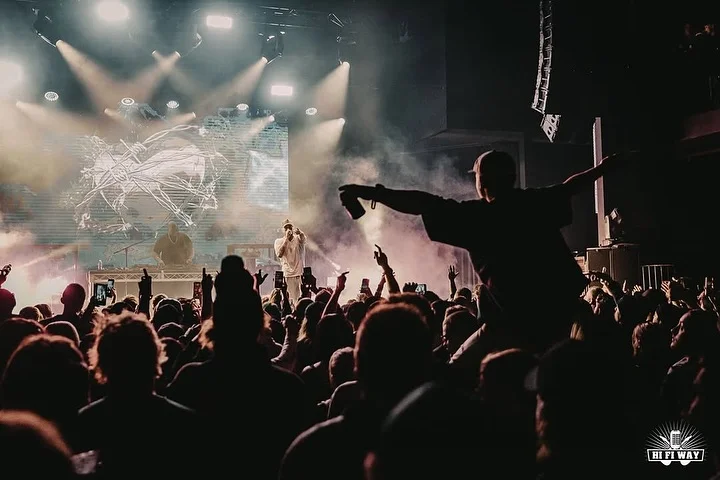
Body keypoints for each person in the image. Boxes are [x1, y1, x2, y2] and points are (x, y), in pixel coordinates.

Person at [339, 149, 630, 364]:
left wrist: (371, 192)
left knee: (453, 371)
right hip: (562, 316)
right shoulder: (534, 202)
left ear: (483, 181)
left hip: (514, 325)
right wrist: (603, 168)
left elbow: (423, 203)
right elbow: (570, 187)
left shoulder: (477, 218)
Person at [274, 219, 306, 305]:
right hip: (288, 273)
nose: (288, 229)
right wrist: (286, 239)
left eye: (290, 227)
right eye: (286, 228)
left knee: (299, 299)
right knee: (288, 299)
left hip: (298, 272)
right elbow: (279, 254)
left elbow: (303, 240)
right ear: (283, 230)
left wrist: (300, 233)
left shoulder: (297, 239)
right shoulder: (278, 241)